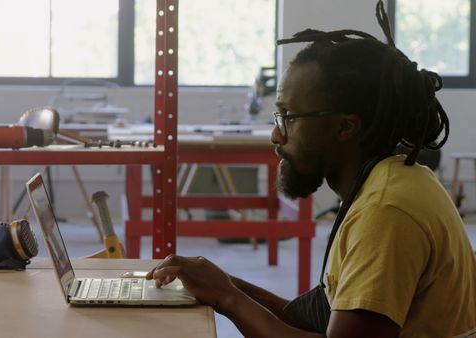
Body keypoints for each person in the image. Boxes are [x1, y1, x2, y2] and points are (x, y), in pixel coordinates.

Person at [146, 2, 476, 337]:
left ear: (345, 127)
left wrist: (228, 297)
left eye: (288, 117)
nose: (276, 135)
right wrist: (222, 282)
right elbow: (321, 323)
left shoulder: (386, 211)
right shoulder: (395, 181)